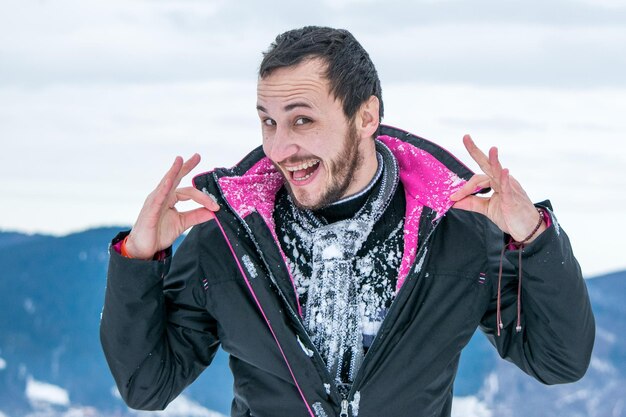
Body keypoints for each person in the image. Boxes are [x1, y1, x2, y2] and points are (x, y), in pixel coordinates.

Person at [100, 26, 595, 417]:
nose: (278, 148)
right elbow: (148, 385)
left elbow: (558, 360)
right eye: (268, 121)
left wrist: (532, 237)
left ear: (366, 117)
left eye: (302, 120)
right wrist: (140, 260)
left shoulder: (455, 232)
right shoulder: (226, 237)